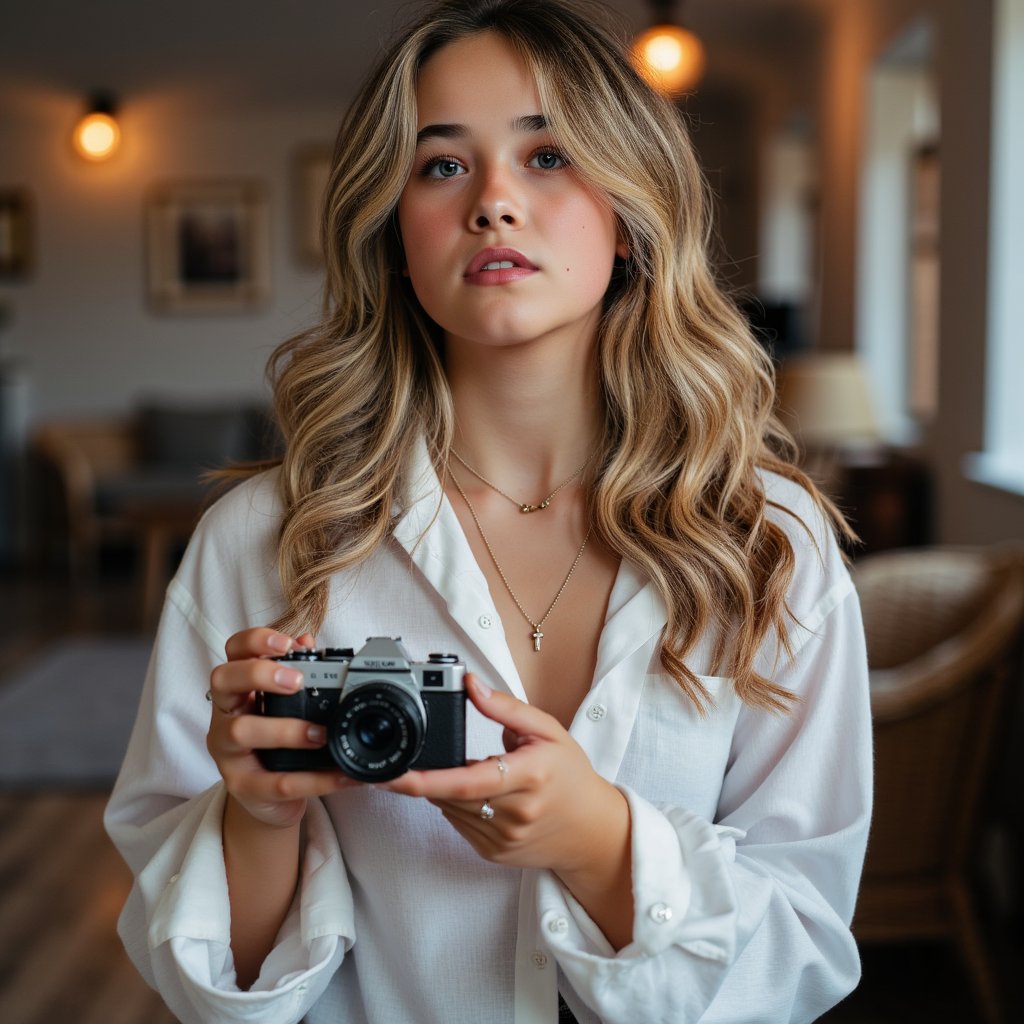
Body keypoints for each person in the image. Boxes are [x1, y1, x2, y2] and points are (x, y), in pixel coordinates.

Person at [104, 1, 872, 1021]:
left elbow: (805, 947)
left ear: (632, 212)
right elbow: (213, 993)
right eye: (440, 164)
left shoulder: (767, 540)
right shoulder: (262, 541)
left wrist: (600, 844)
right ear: (392, 231)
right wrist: (257, 815)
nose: (494, 203)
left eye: (548, 155)